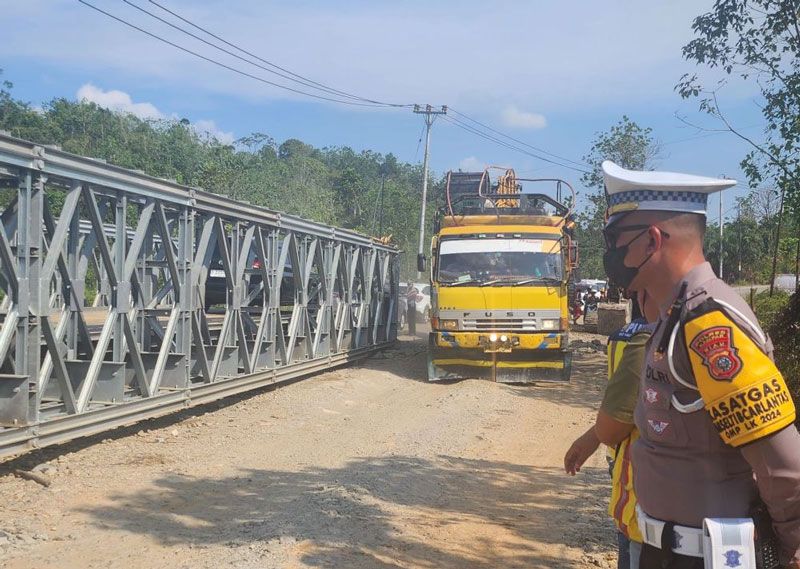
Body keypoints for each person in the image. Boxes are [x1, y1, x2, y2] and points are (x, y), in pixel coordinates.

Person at [601, 160, 800, 569]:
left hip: (711, 557)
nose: (610, 254)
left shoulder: (709, 322)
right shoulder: (672, 315)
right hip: (666, 550)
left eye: (615, 240)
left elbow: (781, 462)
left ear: (651, 241)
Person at [564, 291, 657, 569]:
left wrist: (597, 436)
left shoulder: (633, 339)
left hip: (643, 501)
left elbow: (616, 419)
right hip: (644, 495)